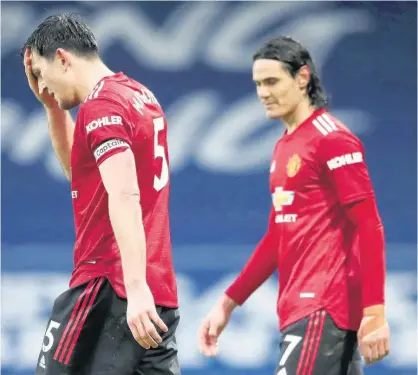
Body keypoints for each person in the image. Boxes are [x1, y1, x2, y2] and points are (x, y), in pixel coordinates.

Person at [198, 36, 390, 375]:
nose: (263, 93)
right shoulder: (284, 146)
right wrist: (227, 304)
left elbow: (369, 225)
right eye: (258, 83)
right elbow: (276, 239)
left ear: (303, 78)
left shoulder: (332, 138)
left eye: (272, 81)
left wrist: (374, 310)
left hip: (322, 307)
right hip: (300, 309)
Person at [22, 13, 180, 375]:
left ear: (62, 58)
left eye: (43, 76)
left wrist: (135, 288)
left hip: (109, 286)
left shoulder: (100, 106)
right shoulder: (139, 95)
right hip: (158, 293)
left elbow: (124, 195)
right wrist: (52, 110)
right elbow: (83, 176)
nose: (45, 87)